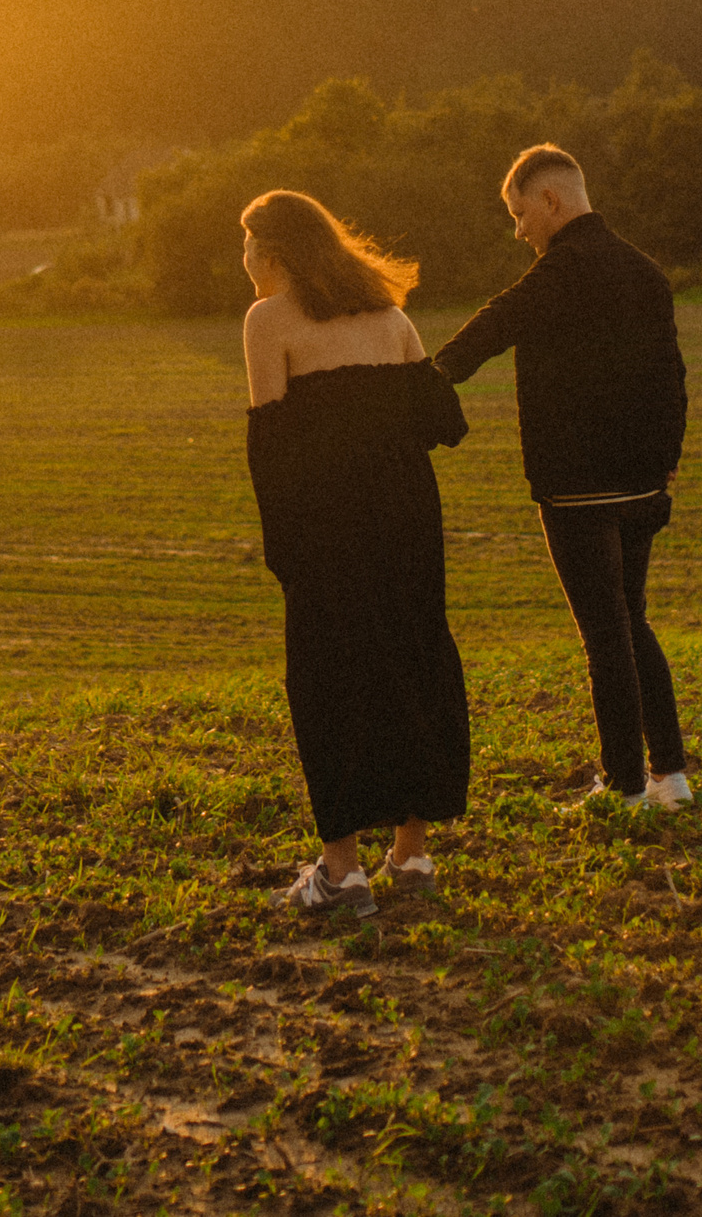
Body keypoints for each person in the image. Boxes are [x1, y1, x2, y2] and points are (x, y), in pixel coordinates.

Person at [431, 145, 693, 811]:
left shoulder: (557, 274)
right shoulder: (646, 272)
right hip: (641, 485)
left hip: (576, 489)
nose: (518, 230)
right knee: (633, 620)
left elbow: (487, 331)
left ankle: (626, 788)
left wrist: (423, 385)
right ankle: (672, 776)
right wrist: (664, 464)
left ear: (550, 201)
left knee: (604, 634)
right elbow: (673, 378)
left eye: (520, 214)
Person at [240, 190, 473, 916]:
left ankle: (340, 873)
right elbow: (446, 422)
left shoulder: (267, 319)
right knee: (413, 661)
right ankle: (413, 853)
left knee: (328, 680)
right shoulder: (391, 316)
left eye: (245, 246)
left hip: (325, 524)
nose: (242, 261)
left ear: (272, 253)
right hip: (407, 517)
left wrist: (285, 553)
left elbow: (270, 452)